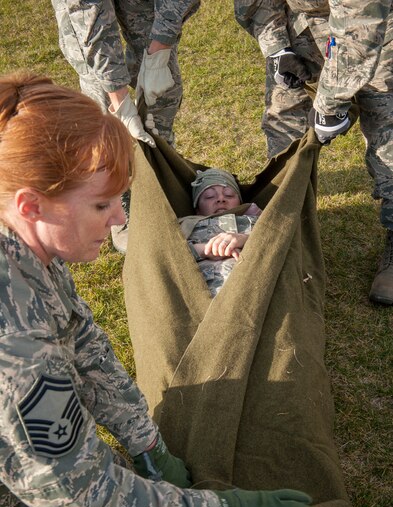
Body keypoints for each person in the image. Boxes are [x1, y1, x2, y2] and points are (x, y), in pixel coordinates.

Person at [0, 71, 316, 507]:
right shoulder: (16, 351)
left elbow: (85, 345)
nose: (119, 218)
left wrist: (149, 446)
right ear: (32, 204)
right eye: (101, 204)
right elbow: (89, 505)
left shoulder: (26, 244)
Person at [234, 0, 393, 305]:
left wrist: (329, 106)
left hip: (379, 30)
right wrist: (277, 48)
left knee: (388, 134)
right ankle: (283, 227)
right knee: (283, 122)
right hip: (304, 27)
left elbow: (362, 21)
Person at [51, 0, 201, 254]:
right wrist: (118, 100)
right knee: (101, 103)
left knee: (164, 90)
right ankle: (115, 200)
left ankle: (161, 183)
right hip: (87, 11)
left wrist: (159, 49)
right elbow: (87, 16)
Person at [181, 168, 262, 296]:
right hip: (206, 300)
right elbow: (164, 258)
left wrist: (244, 239)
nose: (220, 199)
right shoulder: (185, 226)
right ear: (197, 209)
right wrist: (204, 250)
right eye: (209, 196)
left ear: (240, 202)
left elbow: (280, 240)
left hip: (257, 288)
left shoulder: (259, 220)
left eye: (229, 194)